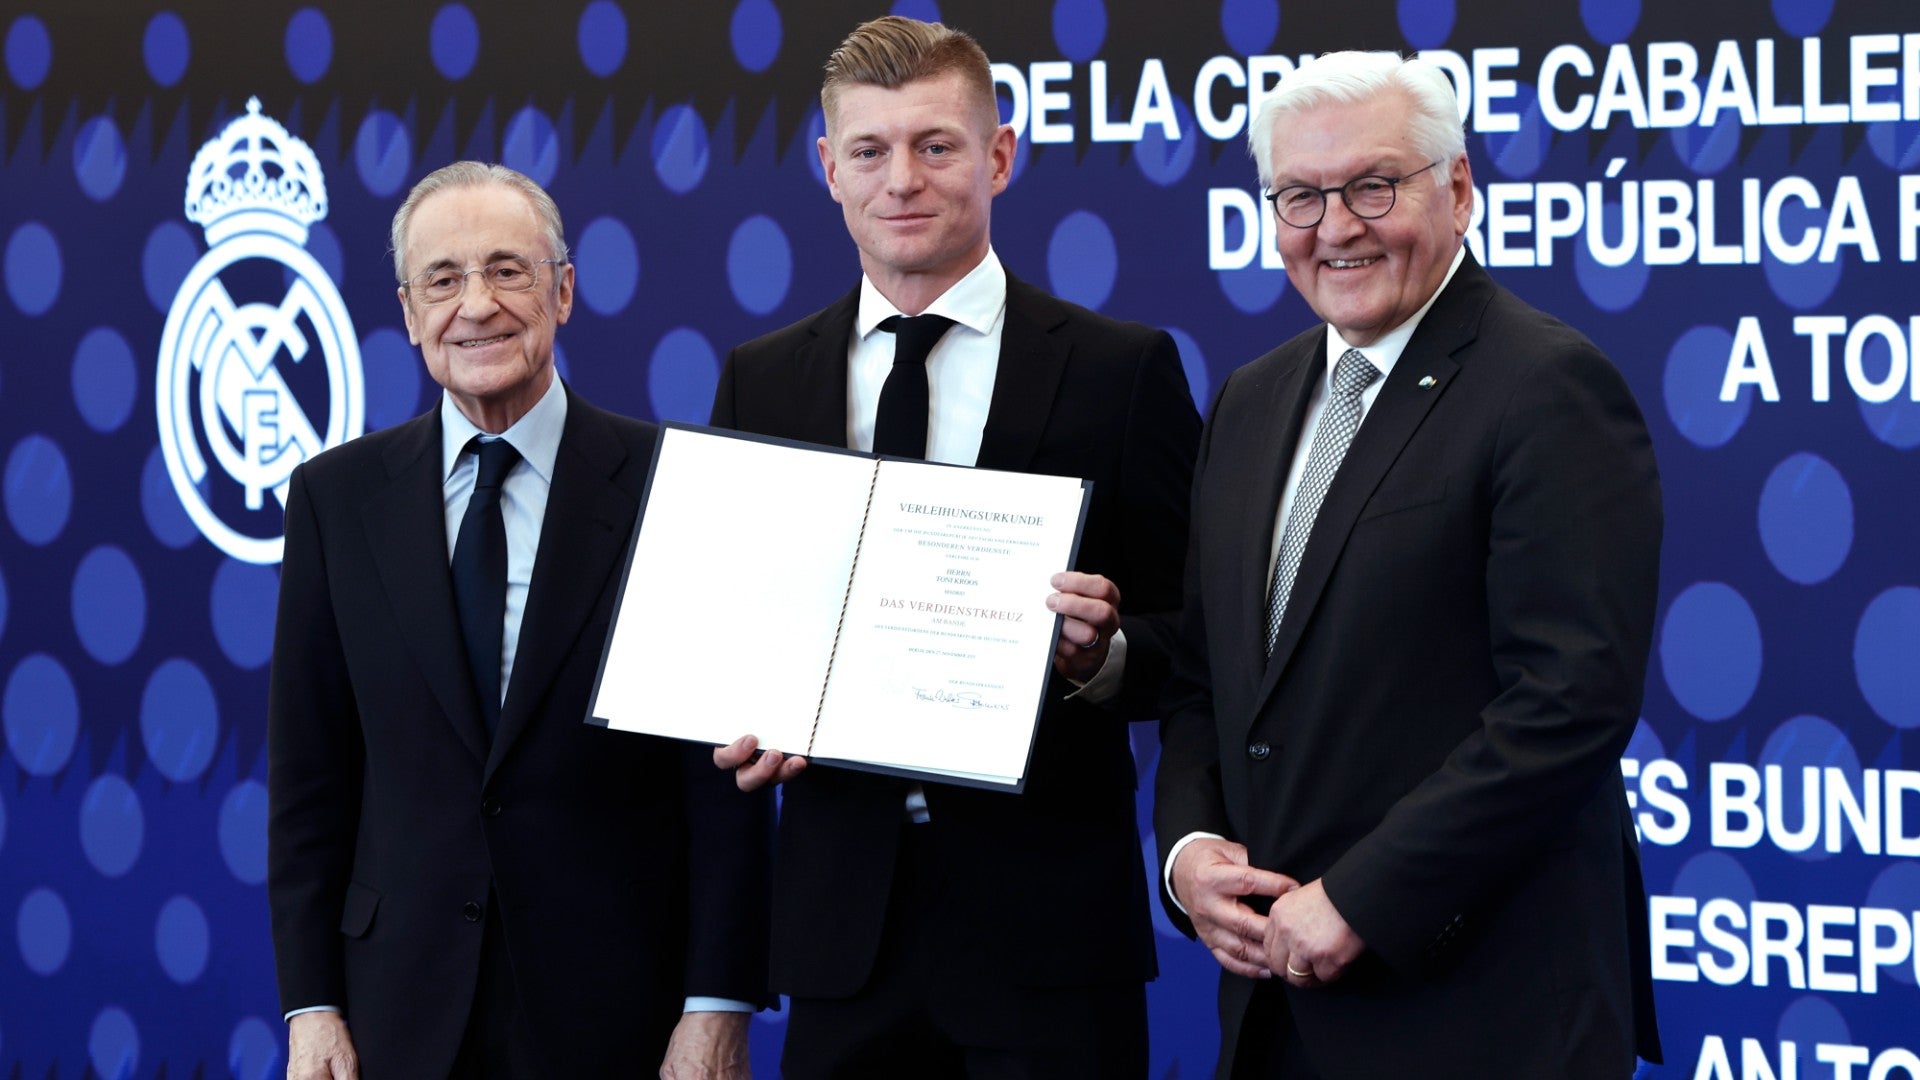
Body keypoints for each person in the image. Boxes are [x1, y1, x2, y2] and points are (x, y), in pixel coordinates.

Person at [1154, 51, 1664, 1079]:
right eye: (1299, 195)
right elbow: (1214, 674)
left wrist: (1361, 900)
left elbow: (1569, 703)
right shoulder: (1252, 399)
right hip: (1275, 1015)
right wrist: (1192, 851)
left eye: (1372, 186)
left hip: (1482, 1014)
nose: (1335, 227)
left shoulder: (1547, 387)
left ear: (1459, 188)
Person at [709, 15, 1200, 1078]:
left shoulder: (1124, 372)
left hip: (1050, 937)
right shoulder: (763, 377)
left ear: (1000, 155)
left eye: (936, 145)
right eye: (871, 151)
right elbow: (748, 625)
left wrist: (1103, 655)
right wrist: (742, 710)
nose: (903, 180)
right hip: (843, 940)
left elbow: (1197, 639)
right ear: (827, 167)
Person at [267, 161, 771, 1080]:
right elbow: (310, 782)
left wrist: (716, 1003)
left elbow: (720, 780)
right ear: (409, 311)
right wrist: (311, 1006)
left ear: (564, 291)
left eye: (509, 270)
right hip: (399, 1009)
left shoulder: (674, 484)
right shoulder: (335, 500)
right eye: (444, 279)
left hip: (623, 1005)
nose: (477, 306)